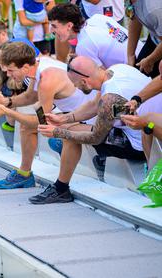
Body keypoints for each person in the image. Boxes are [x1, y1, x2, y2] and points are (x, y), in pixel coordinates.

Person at [36, 56, 158, 204]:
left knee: (70, 136)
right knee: (67, 126)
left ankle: (61, 189)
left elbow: (96, 138)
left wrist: (57, 132)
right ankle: (96, 159)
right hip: (151, 131)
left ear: (84, 81)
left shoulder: (110, 97)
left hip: (141, 147)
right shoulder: (118, 69)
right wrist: (64, 118)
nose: (77, 89)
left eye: (76, 85)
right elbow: (94, 105)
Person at [0, 42, 95, 190]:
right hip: (76, 115)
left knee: (38, 129)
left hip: (91, 121)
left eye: (10, 70)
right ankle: (24, 174)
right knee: (27, 127)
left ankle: (58, 187)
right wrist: (7, 101)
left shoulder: (46, 79)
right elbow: (30, 97)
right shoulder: (39, 66)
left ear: (25, 67)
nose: (8, 75)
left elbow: (41, 123)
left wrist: (8, 112)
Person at [48, 3, 142, 69]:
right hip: (144, 52)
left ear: (69, 25)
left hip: (139, 68)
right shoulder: (98, 17)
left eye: (54, 26)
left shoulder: (83, 46)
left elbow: (104, 78)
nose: (51, 30)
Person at [127, 0, 162, 78]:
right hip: (155, 39)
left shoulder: (153, 9)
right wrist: (130, 55)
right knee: (137, 75)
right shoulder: (134, 1)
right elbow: (134, 18)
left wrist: (150, 60)